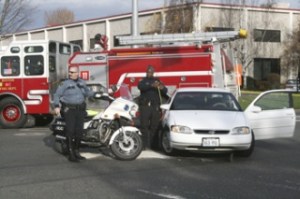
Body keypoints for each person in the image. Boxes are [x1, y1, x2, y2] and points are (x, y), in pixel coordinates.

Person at [53, 66, 94, 162]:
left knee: (79, 132)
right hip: (69, 110)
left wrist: (98, 93)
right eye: (69, 72)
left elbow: (88, 93)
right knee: (71, 131)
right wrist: (56, 106)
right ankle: (71, 154)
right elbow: (57, 95)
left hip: (80, 110)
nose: (70, 73)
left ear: (77, 73)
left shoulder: (82, 83)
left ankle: (76, 151)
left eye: (72, 72)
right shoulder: (64, 83)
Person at [138, 65, 168, 150]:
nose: (149, 73)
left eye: (151, 72)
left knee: (154, 126)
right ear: (146, 72)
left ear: (153, 72)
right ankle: (144, 145)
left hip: (155, 107)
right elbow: (140, 87)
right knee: (144, 126)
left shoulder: (157, 81)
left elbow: (165, 91)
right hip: (145, 107)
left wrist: (161, 87)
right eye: (148, 72)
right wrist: (151, 85)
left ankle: (153, 145)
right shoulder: (143, 81)